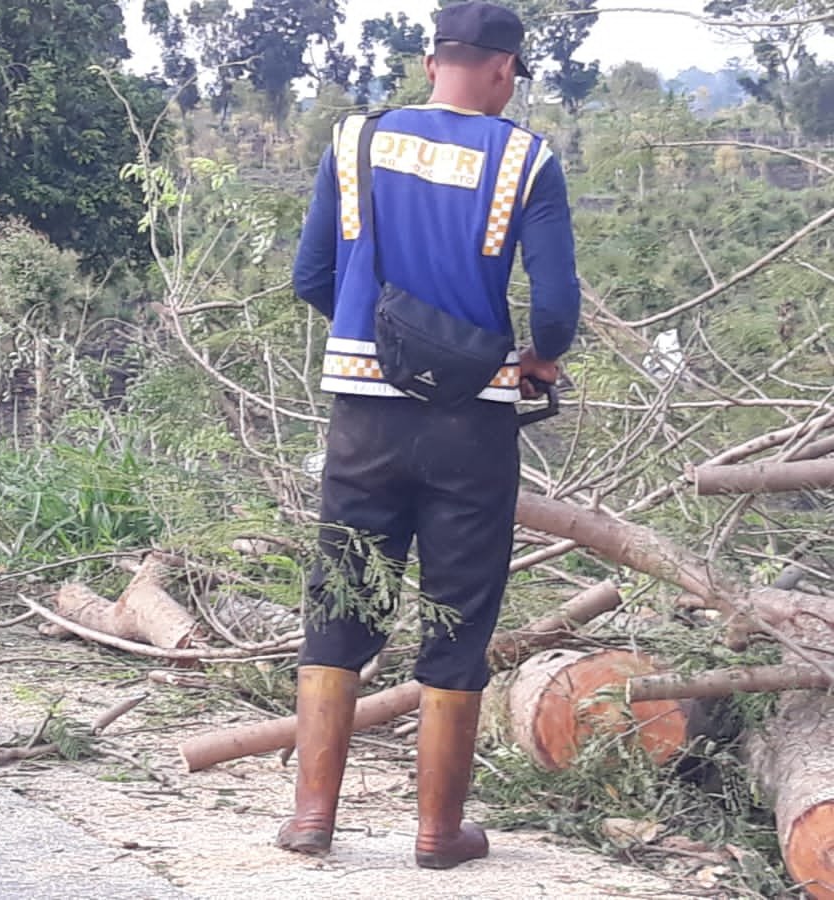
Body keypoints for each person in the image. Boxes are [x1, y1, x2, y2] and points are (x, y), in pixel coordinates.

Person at [280, 1, 579, 870]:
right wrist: (539, 360)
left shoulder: (354, 140)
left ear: (429, 60)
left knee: (341, 602)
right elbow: (555, 311)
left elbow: (311, 276)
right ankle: (437, 834)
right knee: (458, 617)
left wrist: (381, 343)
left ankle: (311, 819)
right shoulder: (528, 158)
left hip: (363, 415)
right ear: (505, 70)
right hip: (473, 421)